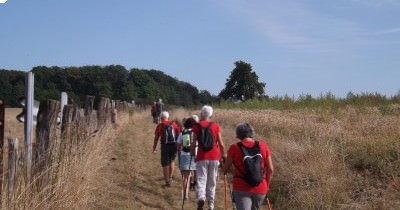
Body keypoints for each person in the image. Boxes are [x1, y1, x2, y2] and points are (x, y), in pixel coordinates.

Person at [221, 123, 274, 210]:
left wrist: (222, 166)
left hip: (241, 187)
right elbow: (270, 169)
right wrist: (267, 185)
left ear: (238, 134)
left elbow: (225, 169)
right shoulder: (263, 146)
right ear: (251, 133)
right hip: (260, 187)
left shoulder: (234, 148)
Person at [191, 105, 226, 210]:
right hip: (214, 156)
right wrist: (223, 155)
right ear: (211, 115)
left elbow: (193, 143)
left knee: (201, 179)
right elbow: (221, 144)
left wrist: (192, 153)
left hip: (202, 156)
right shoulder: (215, 126)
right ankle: (211, 205)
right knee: (212, 181)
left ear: (202, 113)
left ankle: (201, 197)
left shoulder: (196, 126)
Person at [153, 111, 180, 187]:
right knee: (172, 161)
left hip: (165, 146)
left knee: (165, 163)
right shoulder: (174, 124)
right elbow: (178, 135)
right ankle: (170, 178)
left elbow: (156, 138)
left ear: (161, 118)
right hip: (174, 145)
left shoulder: (160, 126)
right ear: (168, 117)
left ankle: (167, 182)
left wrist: (154, 147)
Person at [177, 117, 197, 200]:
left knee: (186, 177)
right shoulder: (195, 133)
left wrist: (180, 151)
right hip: (194, 155)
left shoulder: (182, 133)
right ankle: (195, 187)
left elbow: (178, 145)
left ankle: (185, 194)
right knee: (194, 173)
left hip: (184, 154)